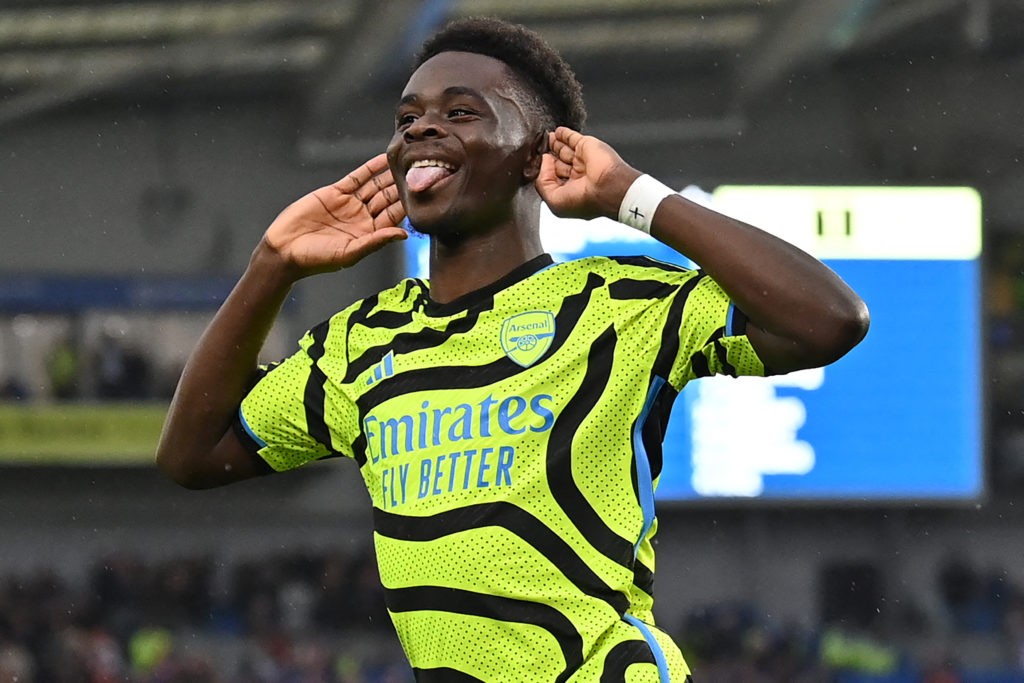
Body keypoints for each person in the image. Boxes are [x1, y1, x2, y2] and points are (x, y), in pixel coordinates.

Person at [157, 16, 869, 682]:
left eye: (460, 112)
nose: (422, 129)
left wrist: (629, 194)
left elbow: (829, 320)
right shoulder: (359, 345)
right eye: (407, 118)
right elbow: (190, 454)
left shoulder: (616, 307)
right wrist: (271, 264)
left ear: (538, 152)